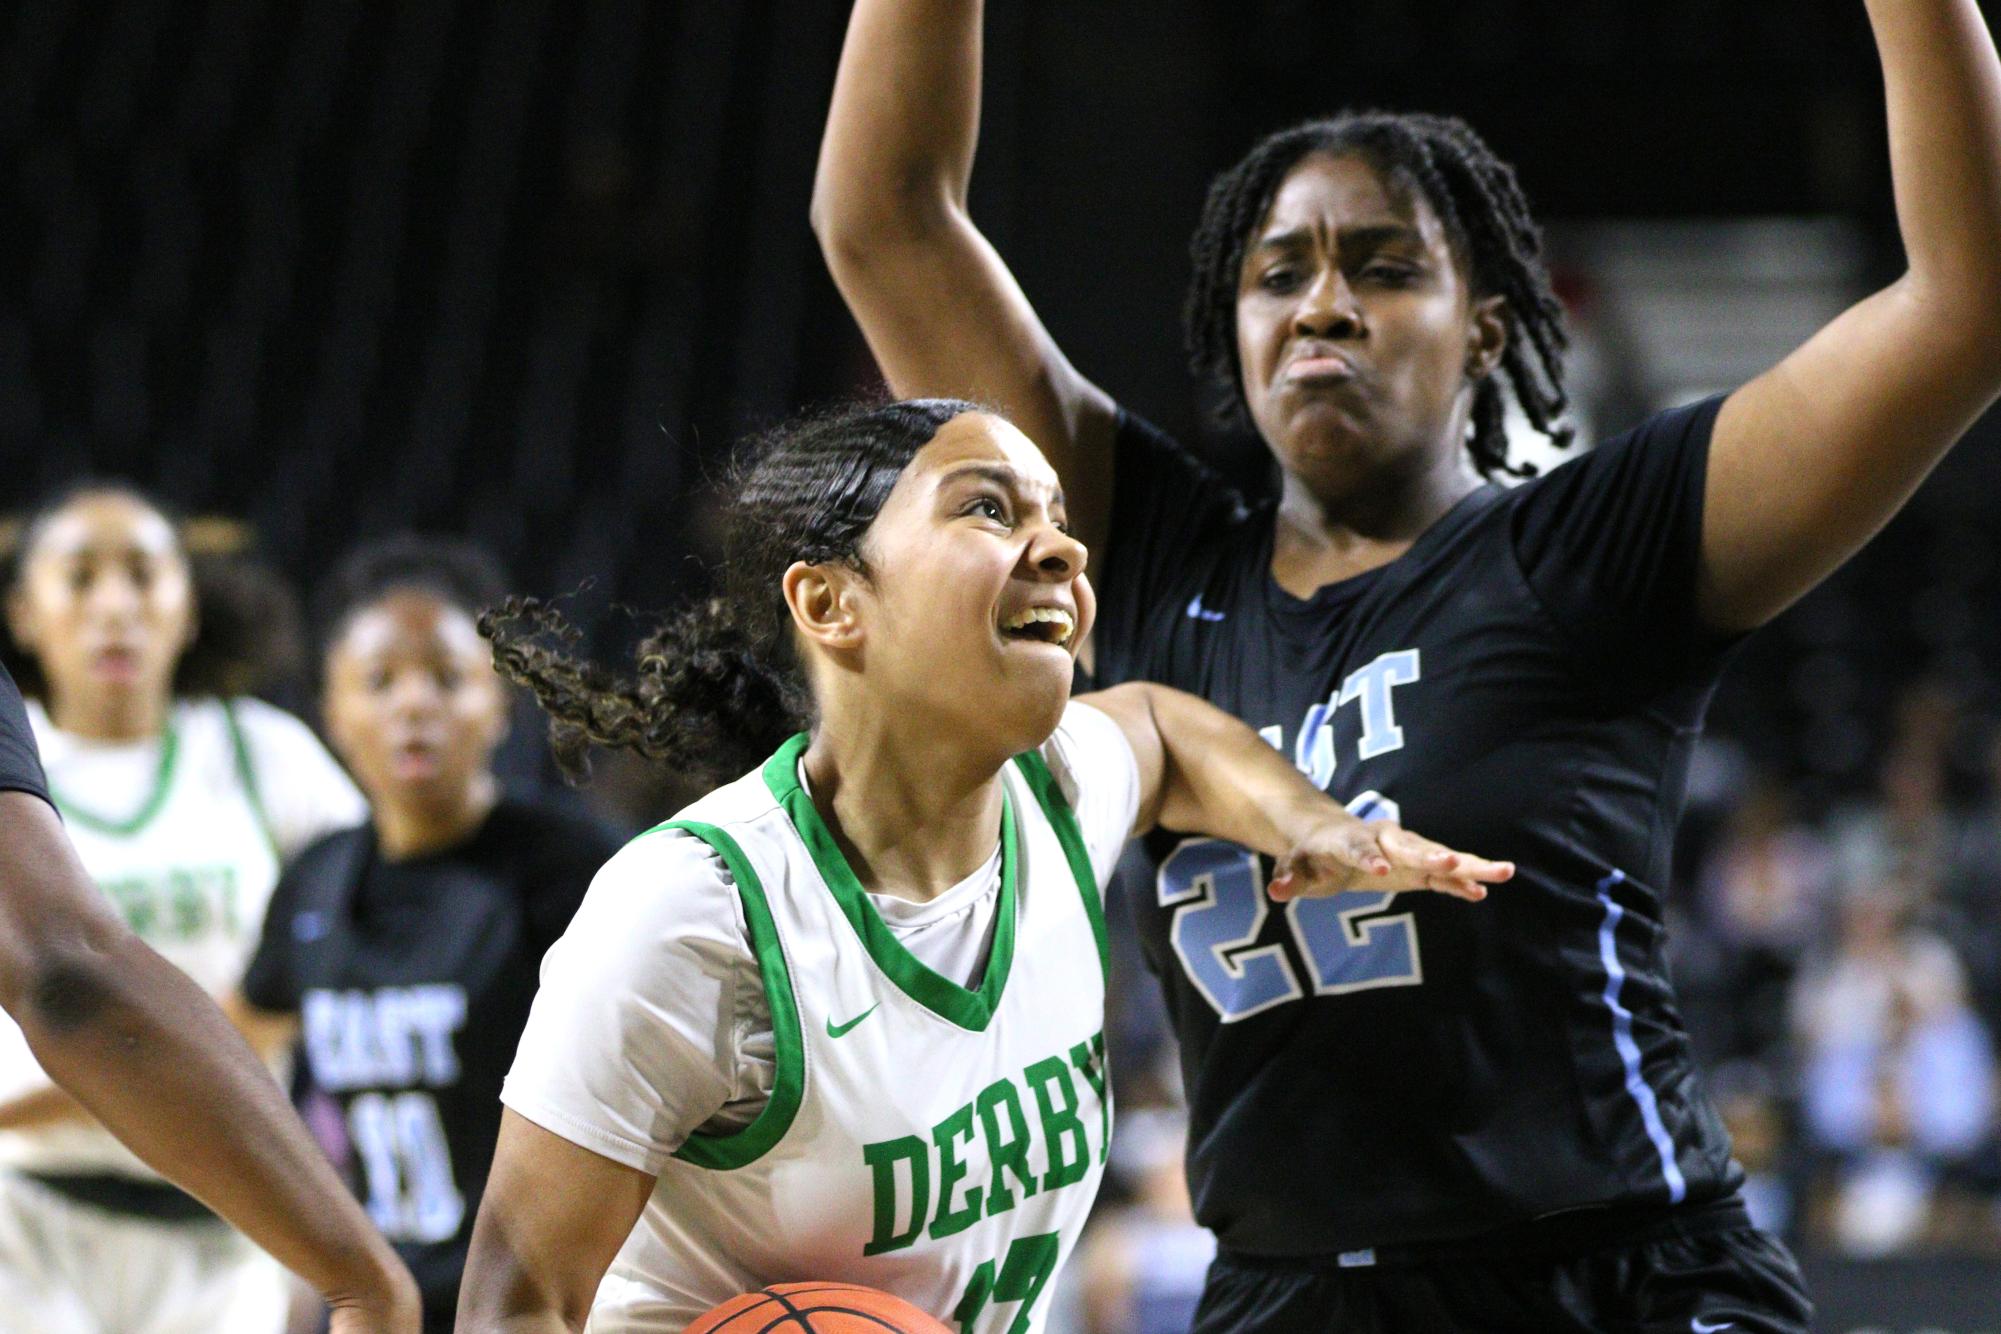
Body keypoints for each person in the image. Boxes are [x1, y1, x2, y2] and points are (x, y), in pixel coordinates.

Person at [810, 1, 2001, 1327]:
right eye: (1279, 272)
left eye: (1382, 266)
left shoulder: (1587, 547)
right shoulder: (1136, 555)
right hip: (1290, 1295)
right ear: (1235, 322)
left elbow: (1966, 298)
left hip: (1613, 1279)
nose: (1324, 301)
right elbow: (885, 217)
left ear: (1485, 328)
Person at [451, 399, 1511, 1332]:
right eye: (989, 509)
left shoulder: (1056, 795)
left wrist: (1310, 822)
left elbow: (1153, 725)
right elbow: (515, 1303)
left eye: (1056, 516)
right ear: (830, 604)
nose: (1060, 550)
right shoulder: (697, 914)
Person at [225, 536, 623, 1333]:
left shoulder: (576, 868)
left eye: (446, 679)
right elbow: (233, 1048)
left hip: (541, 1304)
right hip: (383, 1305)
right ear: (332, 712)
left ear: (496, 703)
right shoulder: (314, 880)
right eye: (379, 682)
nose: (414, 704)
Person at [0, 483, 368, 1332]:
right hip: (25, 1219)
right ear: (23, 615)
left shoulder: (263, 753)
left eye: (143, 574)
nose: (116, 606)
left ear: (189, 607)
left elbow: (356, 951)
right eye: (81, 578)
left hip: (227, 1223)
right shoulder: (16, 771)